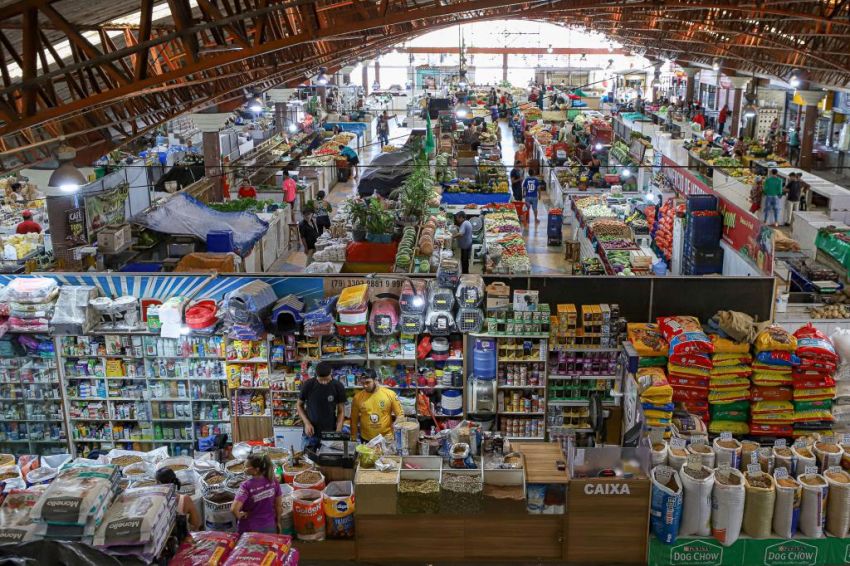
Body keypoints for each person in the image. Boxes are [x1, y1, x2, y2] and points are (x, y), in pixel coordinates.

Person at [297, 361, 345, 449]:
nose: (324, 382)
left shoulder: (338, 386)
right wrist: (306, 423)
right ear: (316, 375)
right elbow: (299, 405)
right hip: (311, 433)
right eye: (321, 380)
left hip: (330, 433)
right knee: (307, 460)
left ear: (331, 373)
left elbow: (341, 411)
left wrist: (338, 431)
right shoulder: (308, 385)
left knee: (328, 460)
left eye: (326, 379)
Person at [230, 453, 282, 534]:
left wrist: (240, 516)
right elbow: (278, 506)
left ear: (256, 469)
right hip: (270, 526)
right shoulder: (274, 481)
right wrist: (278, 522)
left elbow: (234, 509)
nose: (244, 469)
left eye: (246, 467)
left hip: (249, 529)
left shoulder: (246, 486)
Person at [350, 369, 404, 442]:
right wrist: (353, 437)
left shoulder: (390, 394)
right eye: (362, 383)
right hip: (366, 440)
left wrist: (395, 427)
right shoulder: (357, 397)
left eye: (368, 382)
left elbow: (400, 415)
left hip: (386, 439)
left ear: (376, 380)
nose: (365, 386)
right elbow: (354, 420)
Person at [156, 467, 201, 540]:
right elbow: (196, 524)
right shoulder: (185, 500)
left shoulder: (154, 502)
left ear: (158, 483)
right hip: (181, 540)